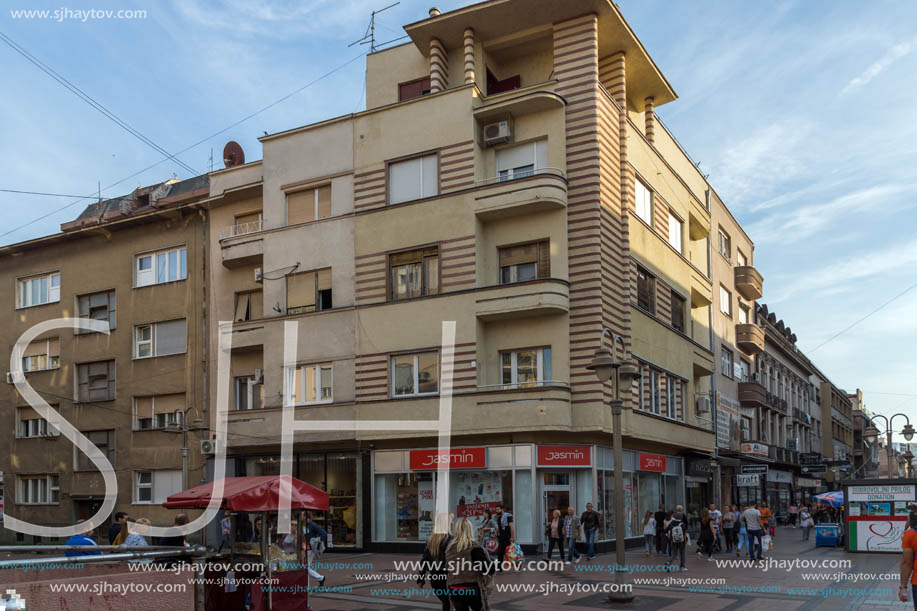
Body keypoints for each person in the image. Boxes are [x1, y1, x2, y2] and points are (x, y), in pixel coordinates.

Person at [445, 517, 496, 611]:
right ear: (470, 530)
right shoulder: (474, 547)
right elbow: (488, 569)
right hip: (471, 588)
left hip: (454, 588)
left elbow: (446, 569)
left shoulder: (450, 548)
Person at [418, 513, 454, 611]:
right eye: (451, 522)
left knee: (446, 602)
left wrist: (421, 578)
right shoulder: (450, 540)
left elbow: (424, 560)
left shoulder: (431, 540)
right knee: (448, 603)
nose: (452, 524)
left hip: (434, 578)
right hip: (447, 577)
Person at [306, 515, 328, 587]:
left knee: (305, 568)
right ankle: (320, 578)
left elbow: (323, 533)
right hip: (305, 548)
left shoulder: (312, 524)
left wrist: (316, 541)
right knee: (305, 567)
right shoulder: (304, 524)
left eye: (302, 515)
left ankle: (319, 579)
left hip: (310, 549)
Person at [494, 504, 514, 571]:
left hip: (507, 537)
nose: (496, 511)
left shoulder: (508, 516)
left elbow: (511, 526)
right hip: (501, 538)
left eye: (498, 509)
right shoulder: (498, 518)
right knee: (500, 553)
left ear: (502, 509)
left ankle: (518, 563)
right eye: (496, 509)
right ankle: (499, 568)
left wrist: (512, 537)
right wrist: (497, 533)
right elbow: (499, 528)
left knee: (511, 553)